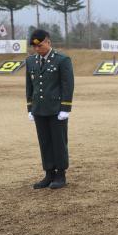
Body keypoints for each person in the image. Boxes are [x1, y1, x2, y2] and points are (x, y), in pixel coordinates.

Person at [26, 29, 74, 189]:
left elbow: (68, 85)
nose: (36, 49)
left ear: (48, 42)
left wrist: (65, 107)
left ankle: (60, 174)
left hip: (56, 109)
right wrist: (30, 108)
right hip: (39, 108)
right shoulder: (31, 61)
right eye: (34, 47)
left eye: (39, 45)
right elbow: (29, 85)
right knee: (44, 141)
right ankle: (49, 173)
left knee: (58, 142)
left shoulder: (62, 60)